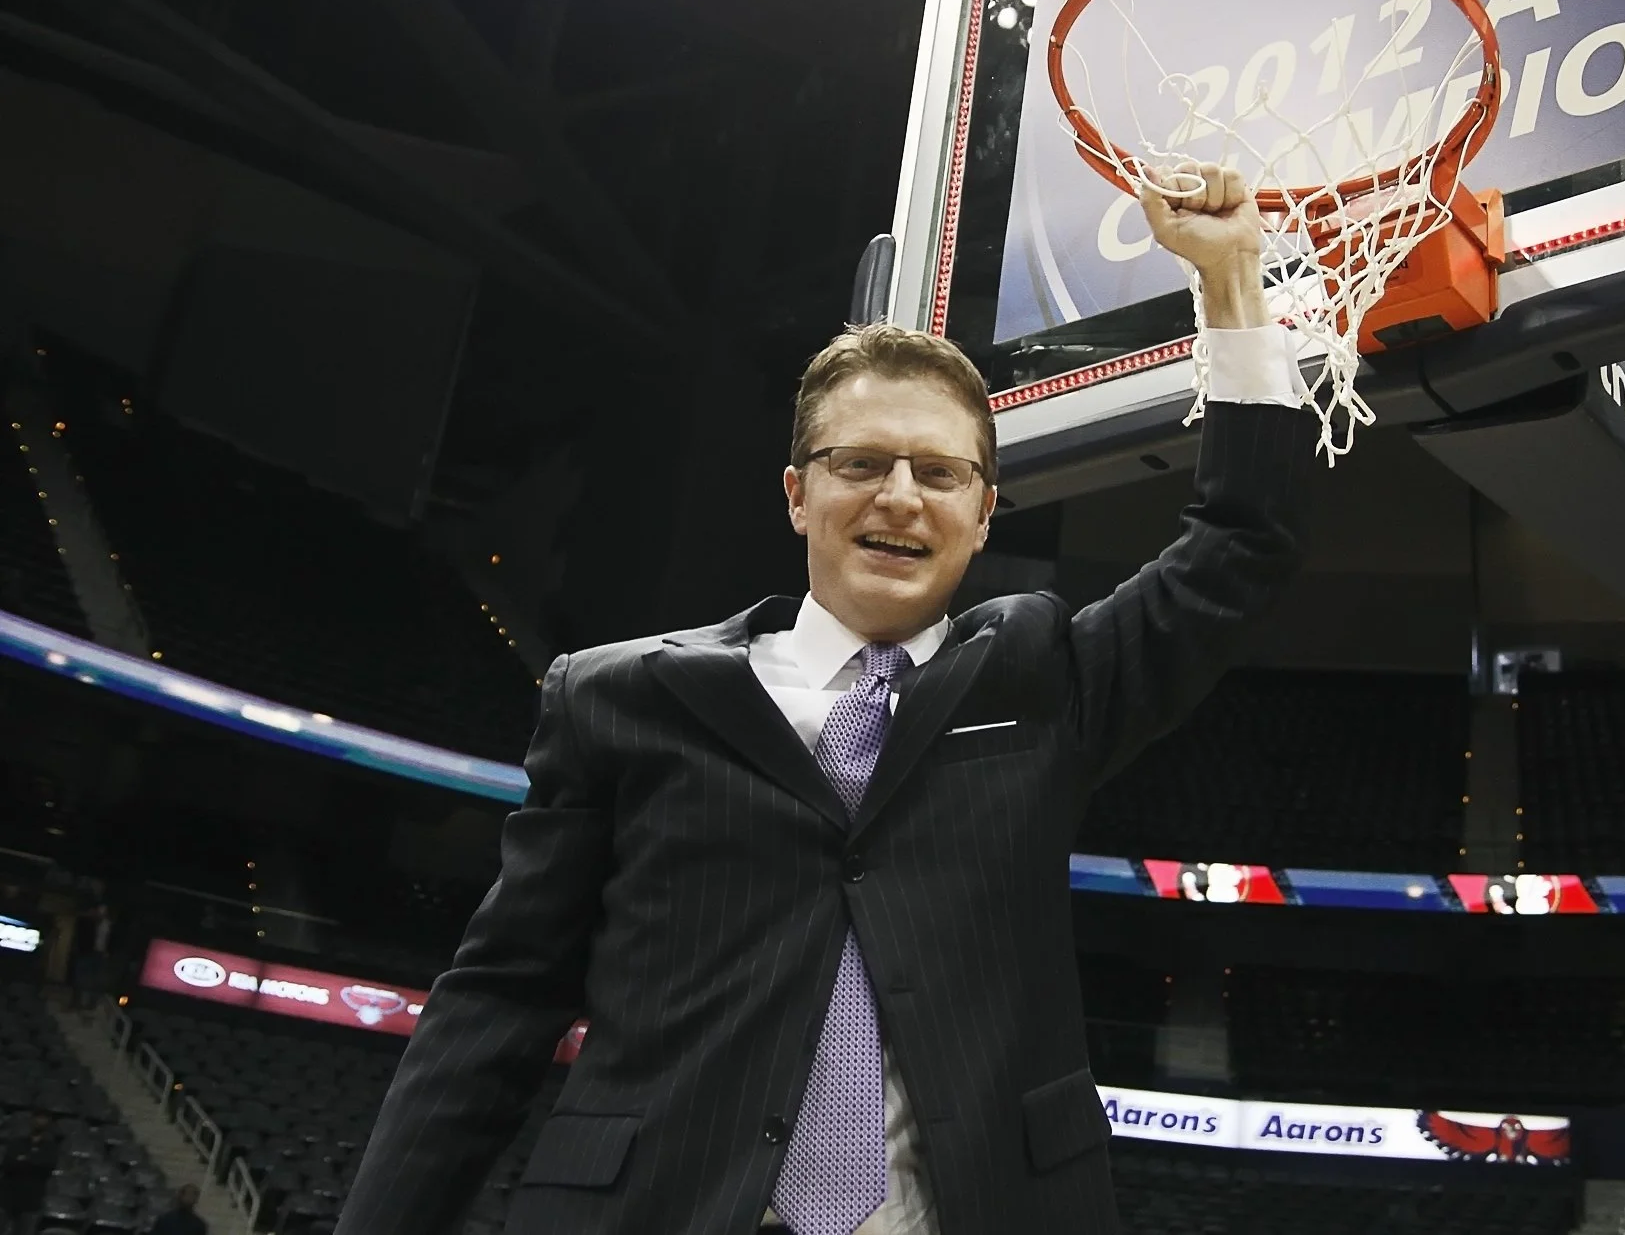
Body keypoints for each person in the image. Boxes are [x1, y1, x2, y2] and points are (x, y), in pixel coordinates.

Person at [336, 164, 1319, 1235]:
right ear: (799, 492)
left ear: (985, 515)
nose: (901, 495)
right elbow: (501, 1003)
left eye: (939, 475)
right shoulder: (618, 700)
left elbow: (1239, 544)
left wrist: (1229, 280)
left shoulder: (1043, 678)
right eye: (863, 463)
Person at [0, 1111, 57, 1235]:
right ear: (31, 1121)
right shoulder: (16, 1142)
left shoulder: (51, 1148)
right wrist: (34, 1161)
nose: (40, 1122)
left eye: (44, 1119)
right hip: (7, 1198)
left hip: (31, 1201)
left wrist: (24, 1159)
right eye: (38, 1118)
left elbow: (47, 1168)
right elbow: (7, 1165)